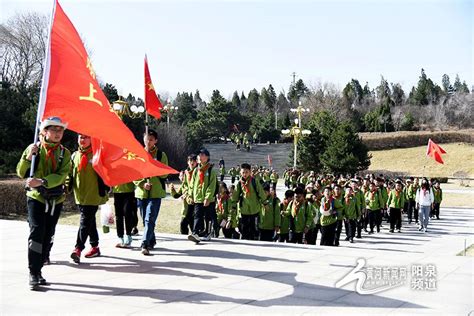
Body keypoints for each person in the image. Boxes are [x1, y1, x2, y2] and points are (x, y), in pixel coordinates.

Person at [17, 117, 71, 290]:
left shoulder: (65, 153)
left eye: (60, 130)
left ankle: (41, 264)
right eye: (53, 130)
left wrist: (42, 181)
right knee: (37, 232)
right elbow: (20, 172)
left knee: (48, 234)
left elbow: (62, 175)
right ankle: (34, 272)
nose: (57, 133)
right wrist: (27, 157)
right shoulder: (34, 148)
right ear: (44, 131)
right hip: (36, 198)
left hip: (56, 199)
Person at [69, 134, 109, 263]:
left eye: (86, 137)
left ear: (92, 139)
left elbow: (106, 173)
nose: (83, 140)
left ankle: (78, 249)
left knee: (85, 221)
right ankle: (95, 246)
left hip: (93, 194)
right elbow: (70, 174)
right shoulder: (74, 156)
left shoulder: (97, 155)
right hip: (80, 195)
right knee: (89, 221)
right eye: (81, 137)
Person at [133, 129, 169, 255]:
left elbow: (165, 174)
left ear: (156, 141)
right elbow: (134, 173)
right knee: (145, 219)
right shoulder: (137, 154)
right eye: (146, 138)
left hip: (156, 193)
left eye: (151, 139)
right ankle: (151, 239)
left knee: (149, 219)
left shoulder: (161, 155)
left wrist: (154, 167)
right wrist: (142, 184)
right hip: (141, 193)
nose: (148, 141)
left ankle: (145, 244)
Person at [188, 148, 218, 243]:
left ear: (207, 157)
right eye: (199, 155)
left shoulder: (211, 170)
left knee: (208, 217)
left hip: (208, 199)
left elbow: (212, 185)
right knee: (197, 216)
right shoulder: (196, 170)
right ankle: (195, 233)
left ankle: (208, 233)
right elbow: (192, 184)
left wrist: (208, 197)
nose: (200, 157)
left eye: (202, 155)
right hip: (198, 198)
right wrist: (191, 195)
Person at [230, 163, 266, 240]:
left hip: (254, 209)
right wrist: (233, 206)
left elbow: (261, 193)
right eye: (243, 172)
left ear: (250, 172)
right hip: (244, 209)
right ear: (240, 172)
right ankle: (245, 242)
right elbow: (235, 195)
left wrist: (265, 202)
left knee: (254, 228)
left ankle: (255, 241)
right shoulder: (239, 183)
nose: (245, 174)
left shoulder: (254, 181)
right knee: (244, 228)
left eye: (246, 172)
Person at [171, 154, 198, 235]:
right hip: (186, 208)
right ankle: (185, 239)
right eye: (190, 161)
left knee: (192, 225)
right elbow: (176, 195)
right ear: (187, 162)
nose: (191, 162)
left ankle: (196, 236)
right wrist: (172, 190)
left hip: (194, 205)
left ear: (196, 162)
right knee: (183, 224)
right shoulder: (186, 176)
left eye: (193, 161)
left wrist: (188, 195)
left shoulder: (198, 172)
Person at [113, 181, 136, 248]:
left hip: (129, 191)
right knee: (118, 216)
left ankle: (128, 236)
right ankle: (120, 237)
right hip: (117, 191)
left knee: (127, 214)